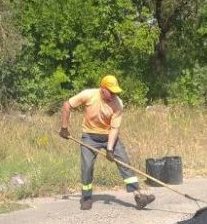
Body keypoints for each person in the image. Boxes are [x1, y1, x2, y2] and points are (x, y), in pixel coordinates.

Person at [58, 75, 156, 211]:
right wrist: (64, 127)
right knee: (87, 167)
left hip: (109, 136)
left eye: (115, 92)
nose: (113, 94)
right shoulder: (88, 95)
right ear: (102, 89)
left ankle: (139, 196)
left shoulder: (118, 104)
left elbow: (115, 128)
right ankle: (86, 198)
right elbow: (67, 105)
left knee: (125, 163)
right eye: (111, 91)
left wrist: (110, 149)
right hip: (89, 137)